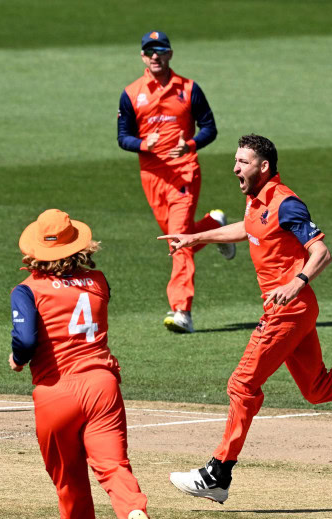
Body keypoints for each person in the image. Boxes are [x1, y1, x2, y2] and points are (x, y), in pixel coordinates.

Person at [160, 134, 332, 504]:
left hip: (288, 309)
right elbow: (247, 230)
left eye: (242, 162)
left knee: (242, 385)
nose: (235, 167)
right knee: (317, 388)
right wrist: (195, 237)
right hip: (293, 310)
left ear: (263, 167)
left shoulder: (286, 203)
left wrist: (297, 282)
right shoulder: (255, 200)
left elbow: (321, 252)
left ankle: (218, 473)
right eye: (235, 160)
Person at [9, 209, 171, 519]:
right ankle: (135, 514)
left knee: (72, 486)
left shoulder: (27, 289)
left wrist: (17, 357)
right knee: (114, 467)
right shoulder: (99, 281)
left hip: (56, 392)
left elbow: (27, 340)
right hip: (102, 386)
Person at [117, 30, 235, 334]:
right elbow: (123, 137)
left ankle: (182, 310)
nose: (155, 56)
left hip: (184, 172)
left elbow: (209, 128)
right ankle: (213, 227)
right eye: (149, 51)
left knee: (178, 242)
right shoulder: (131, 93)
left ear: (170, 54)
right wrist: (145, 144)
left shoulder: (189, 89)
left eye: (161, 50)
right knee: (177, 241)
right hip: (152, 176)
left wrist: (190, 145)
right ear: (143, 56)